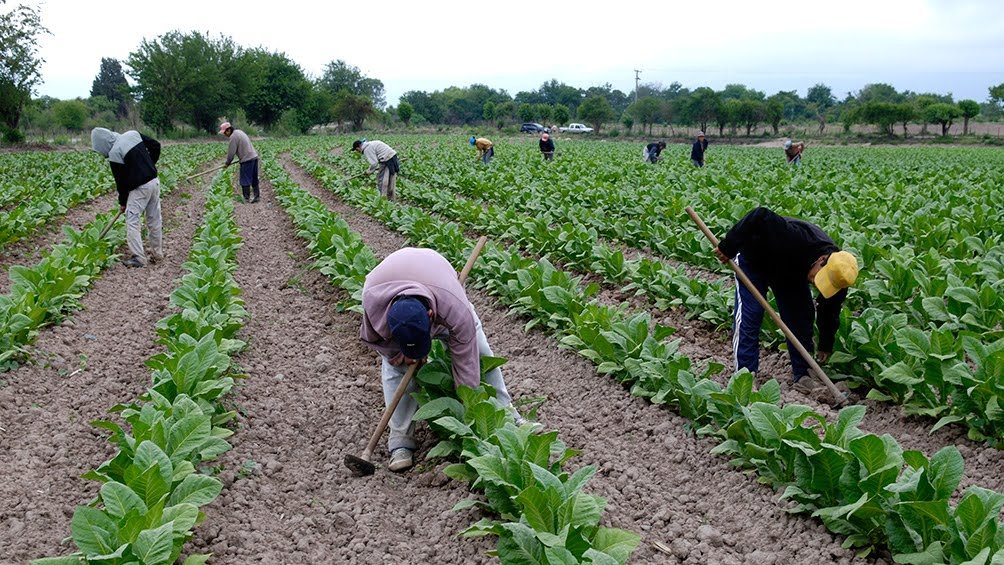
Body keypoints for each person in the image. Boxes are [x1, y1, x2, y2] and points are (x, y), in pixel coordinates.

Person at [360, 247, 524, 471]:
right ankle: (400, 442)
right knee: (395, 369)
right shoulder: (373, 301)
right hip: (391, 286)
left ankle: (507, 414)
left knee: (481, 352)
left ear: (430, 317)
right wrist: (397, 353)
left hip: (438, 281)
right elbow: (375, 340)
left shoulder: (453, 306)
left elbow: (465, 361)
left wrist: (471, 407)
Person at [713, 207, 859, 391]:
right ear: (822, 260)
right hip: (755, 259)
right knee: (751, 314)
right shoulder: (793, 238)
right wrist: (728, 246)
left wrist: (825, 344)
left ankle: (804, 373)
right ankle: (744, 375)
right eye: (819, 277)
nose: (816, 283)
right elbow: (760, 215)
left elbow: (829, 312)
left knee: (801, 317)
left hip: (790, 271)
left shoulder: (840, 276)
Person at [91, 127, 163, 268]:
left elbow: (121, 183)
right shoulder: (133, 134)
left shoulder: (114, 153)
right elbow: (156, 145)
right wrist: (149, 165)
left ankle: (139, 258)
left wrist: (123, 203)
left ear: (102, 144)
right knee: (154, 218)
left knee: (133, 221)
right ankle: (158, 254)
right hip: (154, 181)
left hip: (140, 188)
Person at [219, 122, 260, 203]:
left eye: (224, 132)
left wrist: (227, 163)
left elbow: (231, 153)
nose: (224, 135)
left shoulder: (233, 137)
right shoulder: (239, 132)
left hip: (247, 159)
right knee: (254, 178)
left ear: (228, 130)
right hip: (254, 157)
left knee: (245, 179)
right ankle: (256, 196)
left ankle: (246, 199)